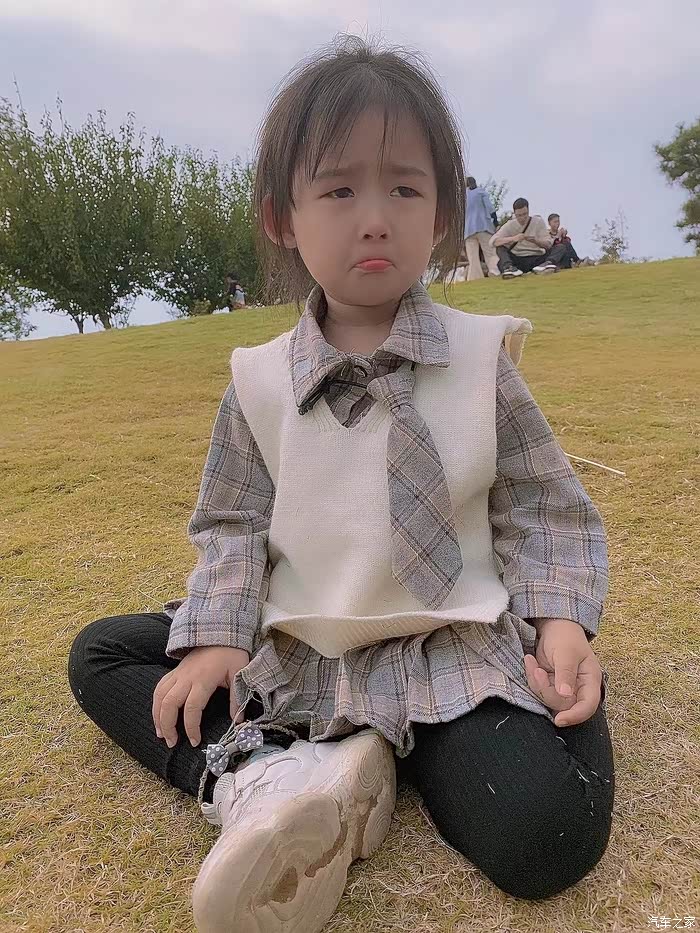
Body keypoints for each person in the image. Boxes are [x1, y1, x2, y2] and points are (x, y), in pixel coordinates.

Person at [68, 37, 614, 933]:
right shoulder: (258, 379)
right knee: (103, 653)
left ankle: (383, 754)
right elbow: (234, 523)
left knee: (545, 837)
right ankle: (263, 776)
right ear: (283, 217)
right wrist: (217, 638)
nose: (375, 218)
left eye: (404, 188)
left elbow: (540, 504)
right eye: (338, 190)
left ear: (443, 212)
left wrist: (560, 624)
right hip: (304, 651)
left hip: (451, 644)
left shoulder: (481, 360)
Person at [492, 198, 570, 278]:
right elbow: (493, 241)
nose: (522, 218)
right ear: (515, 214)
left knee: (561, 247)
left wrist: (536, 241)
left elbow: (548, 244)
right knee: (500, 247)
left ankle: (547, 264)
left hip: (537, 257)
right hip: (518, 258)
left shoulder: (538, 221)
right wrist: (513, 238)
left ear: (528, 211)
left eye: (525, 214)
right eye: (519, 215)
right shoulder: (510, 225)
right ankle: (509, 268)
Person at [464, 176, 500, 280]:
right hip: (482, 225)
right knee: (490, 251)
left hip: (468, 230)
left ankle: (474, 277)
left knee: (472, 257)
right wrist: (496, 223)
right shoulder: (480, 192)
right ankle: (494, 271)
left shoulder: (463, 197)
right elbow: (490, 208)